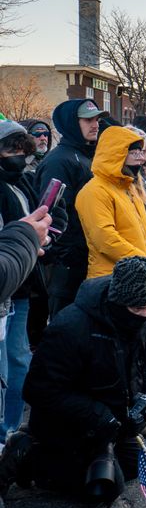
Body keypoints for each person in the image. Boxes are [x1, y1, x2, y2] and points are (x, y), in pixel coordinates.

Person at [8, 257, 146, 508]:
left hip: (115, 416)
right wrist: (97, 415)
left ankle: (94, 453)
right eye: (137, 310)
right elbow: (38, 390)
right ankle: (27, 452)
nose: (145, 315)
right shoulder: (71, 326)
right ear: (118, 301)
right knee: (102, 490)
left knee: (137, 468)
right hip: (71, 421)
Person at [0, 123, 49, 444]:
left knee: (18, 363)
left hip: (23, 287)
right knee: (6, 367)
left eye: (22, 151)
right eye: (10, 150)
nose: (18, 157)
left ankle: (12, 430)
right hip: (7, 287)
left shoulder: (21, 184)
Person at [75, 125, 146, 279]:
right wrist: (145, 262)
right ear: (116, 154)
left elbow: (143, 231)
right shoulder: (94, 191)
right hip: (112, 279)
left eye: (141, 152)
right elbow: (105, 239)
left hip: (137, 275)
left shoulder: (130, 189)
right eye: (135, 153)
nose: (143, 158)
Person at [38, 99, 102, 315]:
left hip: (88, 256)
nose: (95, 124)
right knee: (65, 328)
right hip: (67, 265)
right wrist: (65, 255)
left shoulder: (87, 157)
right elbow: (50, 211)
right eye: (87, 120)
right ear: (72, 123)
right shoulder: (59, 160)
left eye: (96, 119)